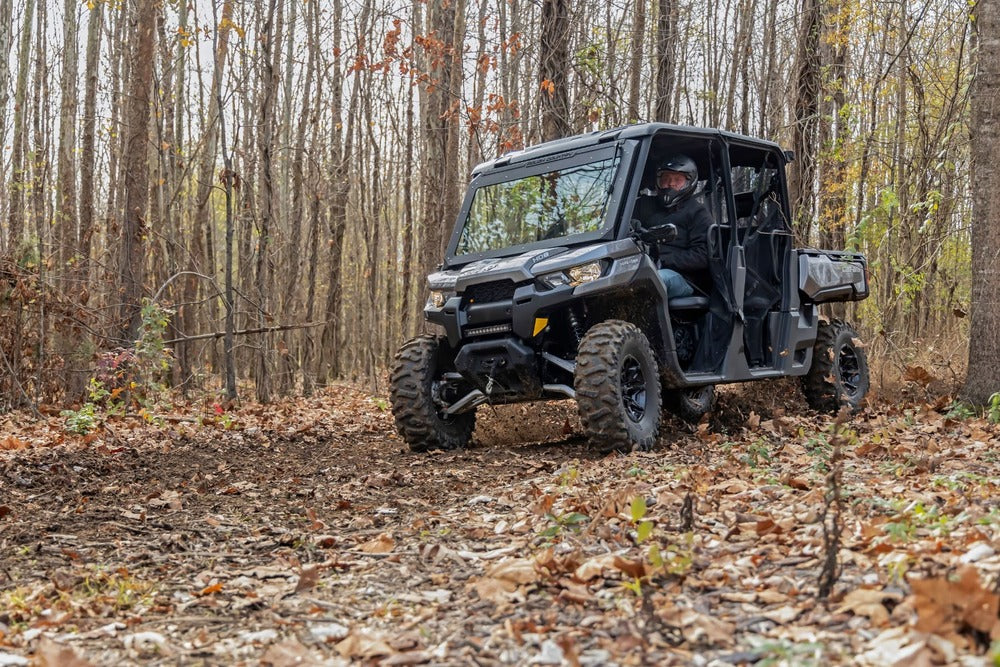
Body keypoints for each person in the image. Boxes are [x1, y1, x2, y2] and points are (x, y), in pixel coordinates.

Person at [634, 154, 713, 298]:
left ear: (689, 183)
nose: (670, 184)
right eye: (666, 179)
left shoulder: (698, 212)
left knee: (649, 282)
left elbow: (702, 256)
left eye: (677, 180)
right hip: (638, 267)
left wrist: (664, 259)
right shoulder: (643, 205)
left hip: (683, 277)